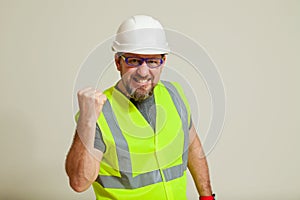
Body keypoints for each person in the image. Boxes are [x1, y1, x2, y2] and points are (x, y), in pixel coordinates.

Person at [65, 15, 215, 200]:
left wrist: (206, 196)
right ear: (118, 62)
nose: (143, 72)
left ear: (163, 62)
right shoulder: (99, 112)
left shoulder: (174, 95)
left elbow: (193, 149)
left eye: (152, 61)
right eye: (134, 61)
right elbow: (79, 182)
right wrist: (87, 122)